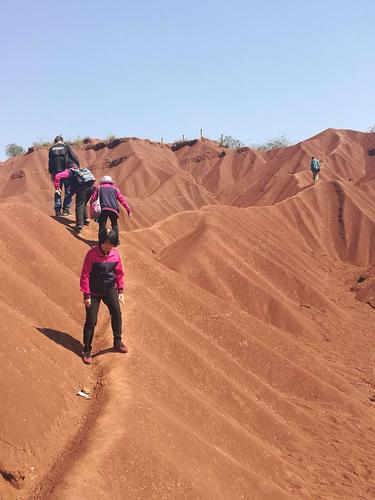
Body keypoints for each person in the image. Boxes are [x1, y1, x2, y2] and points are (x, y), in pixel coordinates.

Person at [80, 228, 128, 364]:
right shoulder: (92, 254)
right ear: (101, 241)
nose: (109, 246)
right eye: (106, 243)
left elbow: (119, 273)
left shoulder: (115, 255)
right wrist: (86, 295)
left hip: (109, 289)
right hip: (93, 292)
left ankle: (117, 342)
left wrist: (120, 290)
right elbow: (85, 274)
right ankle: (87, 349)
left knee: (117, 314)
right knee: (91, 321)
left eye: (112, 243)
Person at [54, 165, 95, 233]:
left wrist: (57, 187)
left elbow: (57, 176)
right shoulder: (81, 171)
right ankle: (86, 219)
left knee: (79, 205)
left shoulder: (68, 172)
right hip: (92, 188)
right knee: (84, 203)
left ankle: (79, 225)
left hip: (82, 189)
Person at [90, 175, 132, 240]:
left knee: (102, 226)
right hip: (113, 210)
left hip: (103, 209)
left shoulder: (99, 188)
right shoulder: (115, 189)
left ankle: (101, 241)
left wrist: (92, 205)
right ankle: (115, 241)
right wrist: (128, 210)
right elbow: (122, 199)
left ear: (102, 182)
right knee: (114, 225)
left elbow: (93, 198)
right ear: (110, 182)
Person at [48, 136, 80, 216]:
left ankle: (57, 211)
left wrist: (51, 173)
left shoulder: (51, 149)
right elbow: (74, 156)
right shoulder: (66, 146)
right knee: (68, 191)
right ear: (62, 141)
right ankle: (65, 210)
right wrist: (77, 166)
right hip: (66, 172)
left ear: (55, 141)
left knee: (58, 191)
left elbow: (50, 162)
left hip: (56, 173)